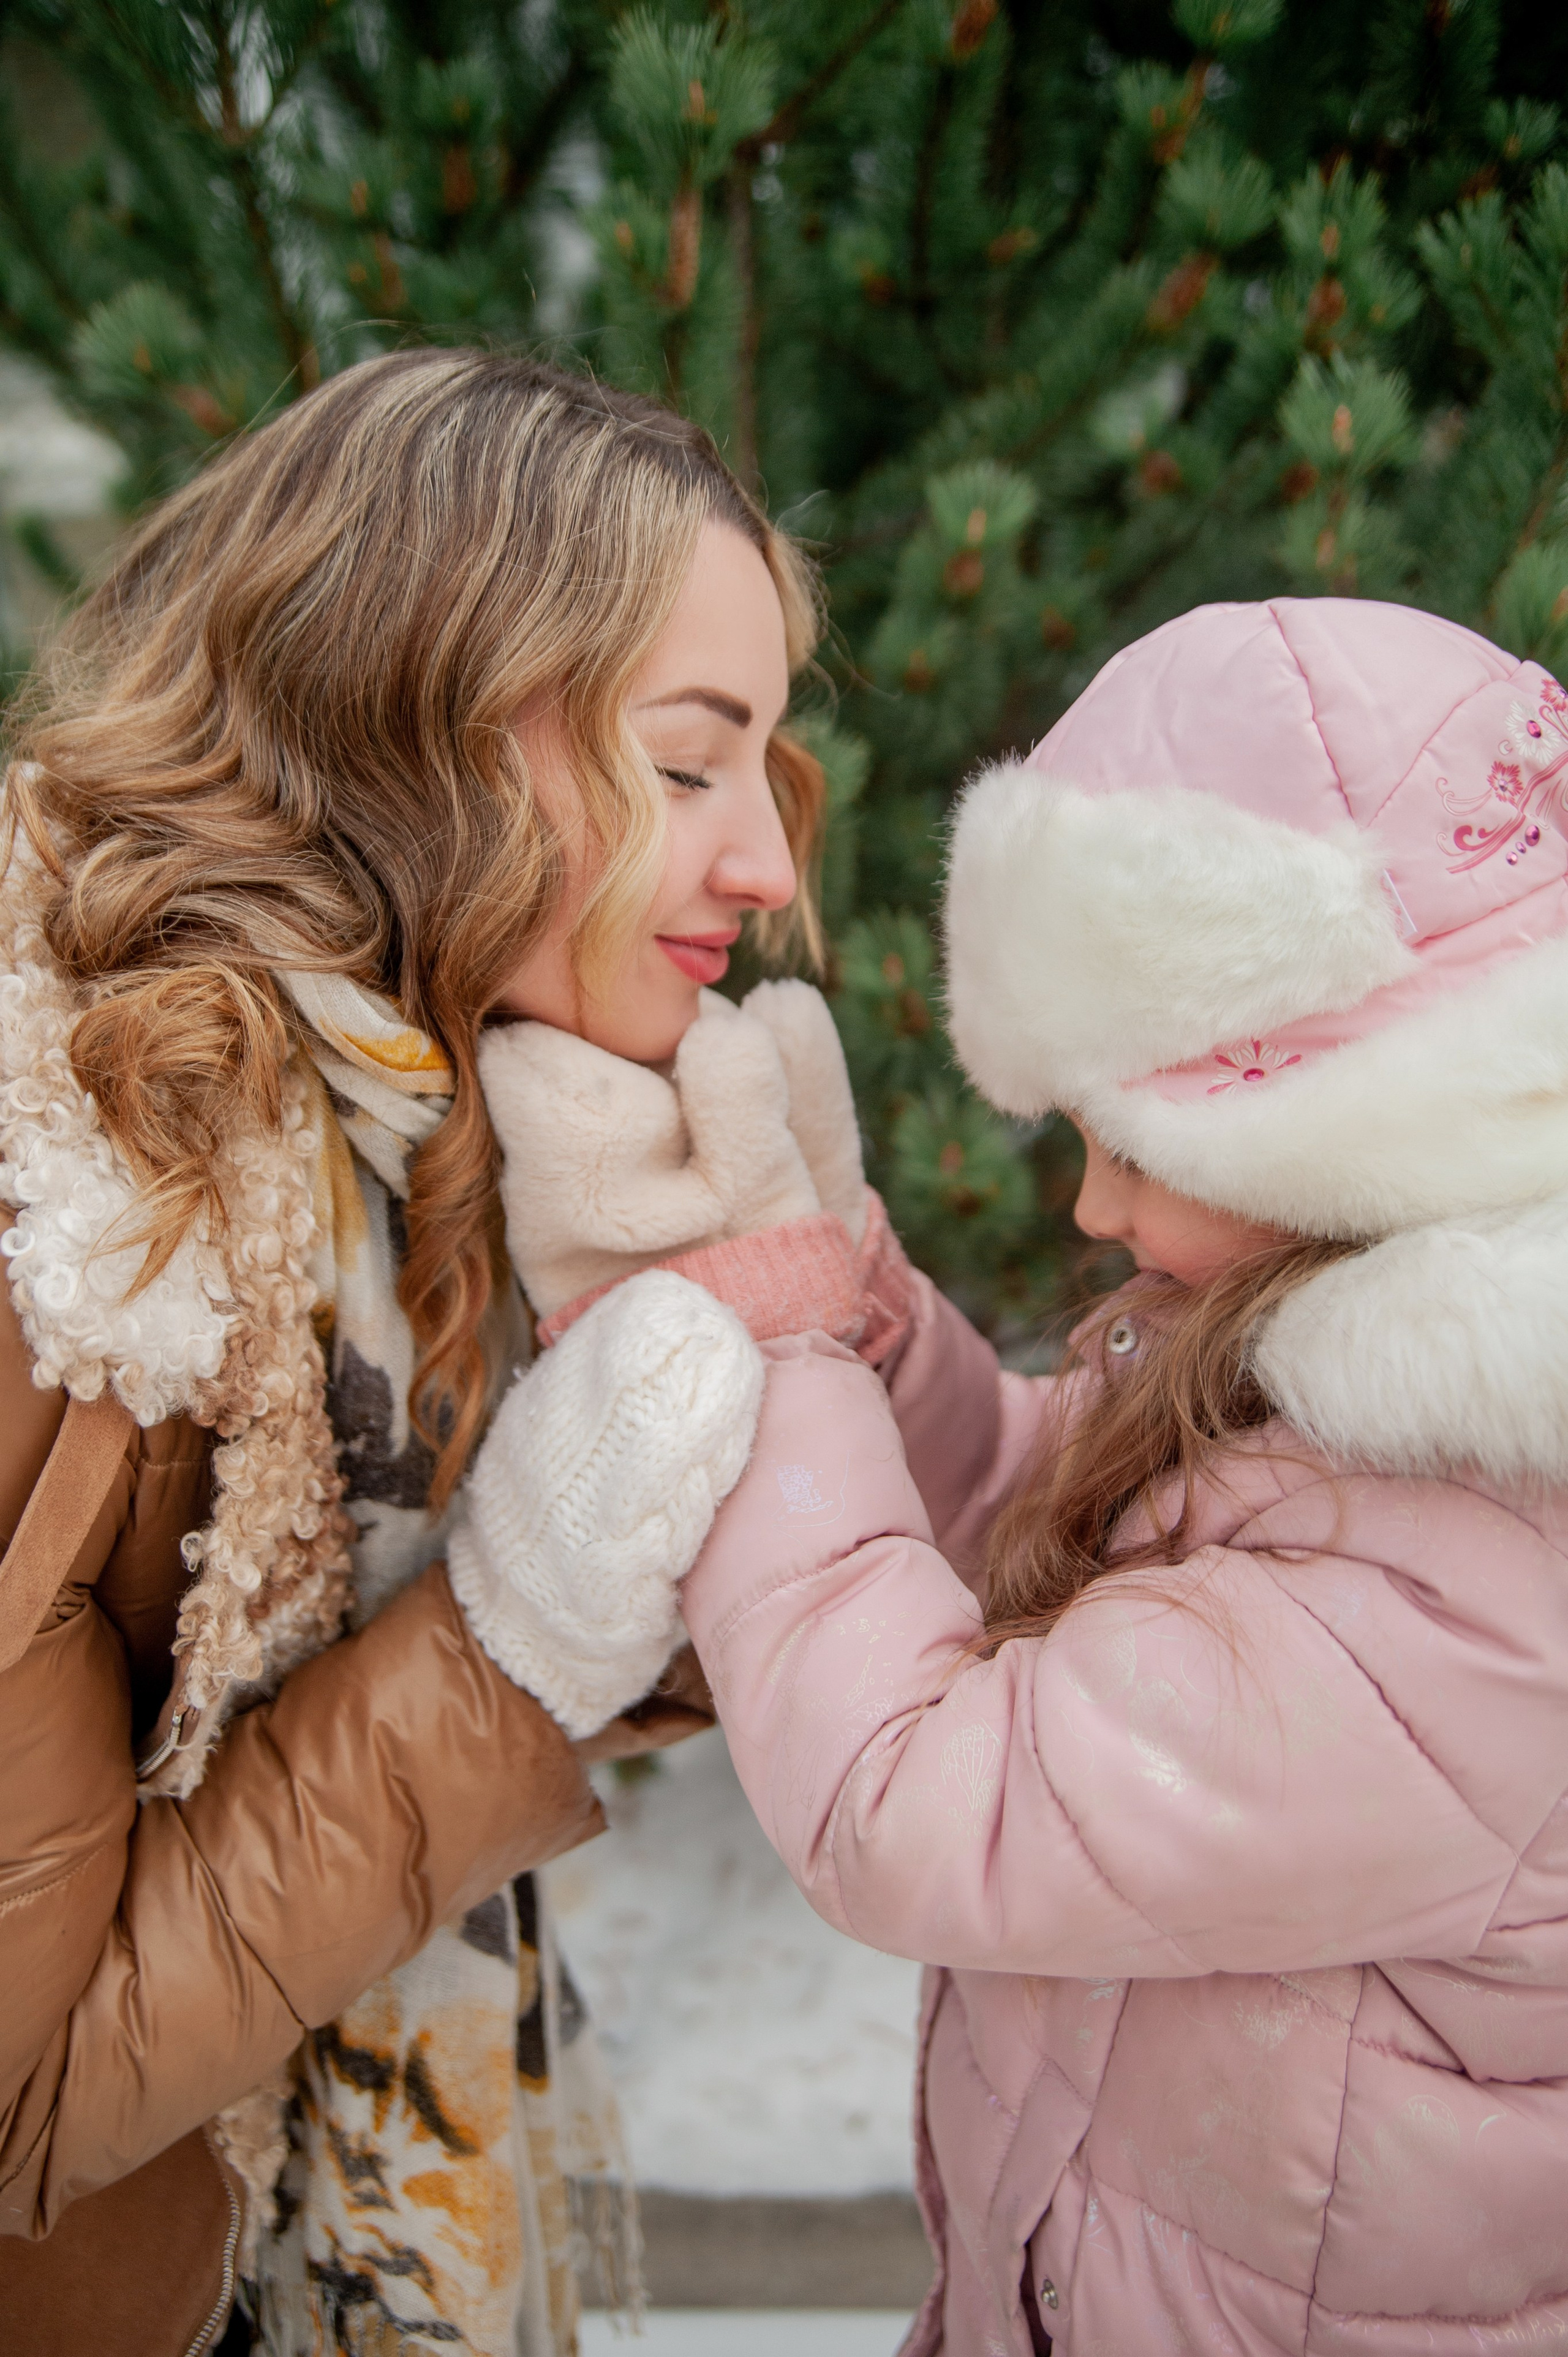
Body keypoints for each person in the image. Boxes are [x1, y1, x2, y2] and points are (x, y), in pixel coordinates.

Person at [475, 597, 1568, 2353]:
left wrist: (762, 1337)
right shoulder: (1377, 1435)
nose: (1094, 1212)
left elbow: (918, 1801)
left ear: (1361, 1120)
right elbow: (1077, 1537)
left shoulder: (1489, 1595)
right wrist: (872, 1325)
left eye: (1134, 1140)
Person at [0, 345, 845, 2357]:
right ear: (438, 724)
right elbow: (23, 2103)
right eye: (690, 757)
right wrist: (510, 1637)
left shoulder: (415, 1133)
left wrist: (752, 1409)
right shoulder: (74, 1231)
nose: (772, 867)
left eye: (770, 763)